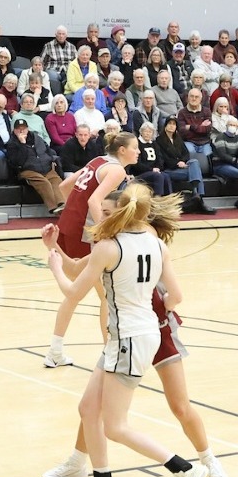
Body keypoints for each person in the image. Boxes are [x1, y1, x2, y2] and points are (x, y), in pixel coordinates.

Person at [41, 183, 210, 477]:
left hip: (128, 339)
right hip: (141, 334)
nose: (99, 217)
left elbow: (72, 290)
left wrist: (54, 268)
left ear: (121, 212)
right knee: (89, 410)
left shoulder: (109, 247)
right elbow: (175, 297)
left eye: (104, 212)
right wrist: (57, 249)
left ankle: (186, 470)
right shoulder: (156, 244)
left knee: (115, 426)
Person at [43, 130, 138, 367]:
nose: (138, 151)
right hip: (84, 233)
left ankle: (55, 351)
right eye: (135, 147)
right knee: (104, 295)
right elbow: (94, 201)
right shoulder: (116, 170)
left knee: (78, 291)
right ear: (123, 150)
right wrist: (108, 232)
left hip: (68, 226)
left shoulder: (97, 161)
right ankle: (111, 354)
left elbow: (65, 186)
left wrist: (73, 213)